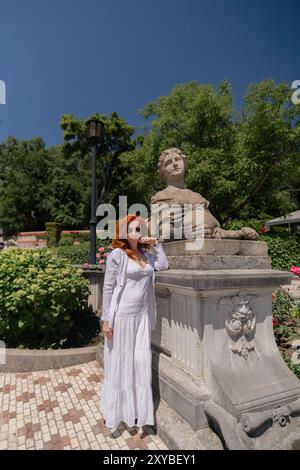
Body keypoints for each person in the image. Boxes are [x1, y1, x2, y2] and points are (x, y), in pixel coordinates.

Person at [100, 214, 169, 435]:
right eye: (131, 229)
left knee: (139, 361)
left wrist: (156, 245)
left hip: (141, 317)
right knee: (122, 363)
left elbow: (164, 265)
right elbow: (108, 289)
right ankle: (119, 412)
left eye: (139, 229)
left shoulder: (147, 256)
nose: (136, 233)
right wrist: (106, 321)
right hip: (121, 318)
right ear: (123, 232)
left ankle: (137, 412)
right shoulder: (117, 255)